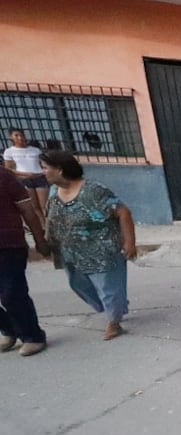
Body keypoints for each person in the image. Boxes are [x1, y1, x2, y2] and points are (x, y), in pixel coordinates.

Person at [41, 150, 136, 341]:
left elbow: (123, 212)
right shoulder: (53, 191)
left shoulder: (94, 191)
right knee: (78, 285)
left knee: (108, 288)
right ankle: (115, 306)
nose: (42, 172)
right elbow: (51, 219)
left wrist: (130, 242)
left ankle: (113, 321)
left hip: (102, 250)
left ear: (59, 170)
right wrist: (47, 242)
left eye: (45, 168)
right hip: (70, 252)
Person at [0, 168, 51, 357]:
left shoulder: (4, 177)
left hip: (8, 246)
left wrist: (39, 239)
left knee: (12, 293)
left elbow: (27, 210)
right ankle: (9, 329)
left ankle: (33, 336)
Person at [4, 128, 48, 217]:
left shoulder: (35, 150)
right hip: (24, 179)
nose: (19, 138)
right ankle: (43, 227)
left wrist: (44, 171)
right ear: (11, 138)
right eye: (16, 135)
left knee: (44, 205)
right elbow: (9, 169)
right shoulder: (9, 151)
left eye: (21, 135)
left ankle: (49, 224)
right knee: (34, 206)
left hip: (39, 177)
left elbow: (43, 163)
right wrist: (25, 174)